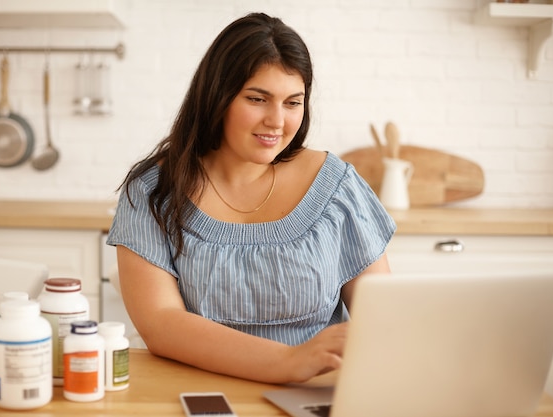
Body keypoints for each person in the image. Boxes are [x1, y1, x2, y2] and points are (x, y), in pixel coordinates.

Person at [107, 12, 396, 384]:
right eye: (258, 99)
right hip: (196, 392)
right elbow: (162, 324)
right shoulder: (152, 191)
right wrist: (288, 361)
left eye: (293, 102)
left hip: (313, 394)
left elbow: (385, 319)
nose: (277, 121)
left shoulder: (337, 186)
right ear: (218, 97)